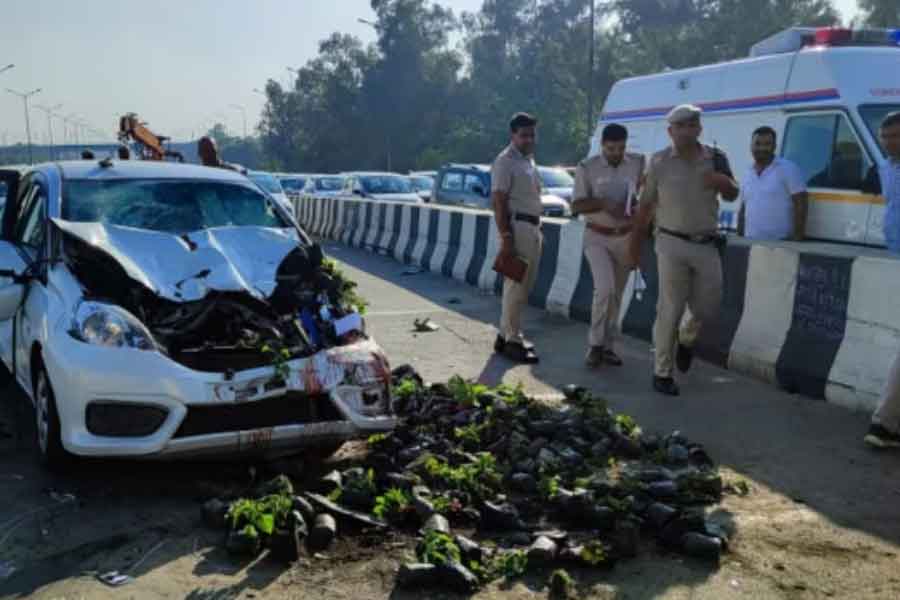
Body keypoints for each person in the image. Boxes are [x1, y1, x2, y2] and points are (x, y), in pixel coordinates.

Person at [626, 104, 739, 396]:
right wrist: (635, 245)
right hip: (670, 242)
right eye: (681, 126)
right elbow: (646, 204)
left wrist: (723, 182)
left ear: (700, 129)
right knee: (670, 308)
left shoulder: (716, 157)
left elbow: (733, 192)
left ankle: (687, 338)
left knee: (708, 306)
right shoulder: (660, 162)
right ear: (671, 131)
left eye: (693, 125)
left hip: (706, 242)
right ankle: (662, 372)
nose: (687, 130)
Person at [572, 123, 645, 368]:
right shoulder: (587, 167)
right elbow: (577, 206)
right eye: (612, 148)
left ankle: (609, 347)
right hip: (597, 236)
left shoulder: (637, 162)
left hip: (625, 236)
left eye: (621, 148)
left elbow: (643, 195)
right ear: (603, 145)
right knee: (604, 289)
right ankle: (594, 345)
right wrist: (603, 203)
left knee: (617, 295)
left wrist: (637, 208)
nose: (616, 153)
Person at [491, 112, 543, 364]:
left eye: (532, 134)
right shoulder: (505, 161)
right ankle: (512, 339)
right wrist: (506, 236)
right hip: (518, 228)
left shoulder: (528, 160)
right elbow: (499, 201)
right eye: (524, 135)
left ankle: (504, 335)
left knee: (522, 287)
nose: (529, 139)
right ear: (513, 135)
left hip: (533, 228)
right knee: (516, 287)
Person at [864, 111, 900, 448]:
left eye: (895, 136)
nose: (889, 142)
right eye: (885, 137)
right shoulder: (886, 168)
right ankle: (885, 423)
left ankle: (885, 423)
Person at [737, 126, 808, 241]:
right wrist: (739, 237)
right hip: (750, 241)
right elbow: (744, 208)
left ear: (774, 146)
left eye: (767, 144)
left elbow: (801, 203)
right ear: (751, 146)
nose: (762, 148)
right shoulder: (747, 172)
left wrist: (797, 238)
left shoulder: (788, 169)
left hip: (780, 244)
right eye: (758, 144)